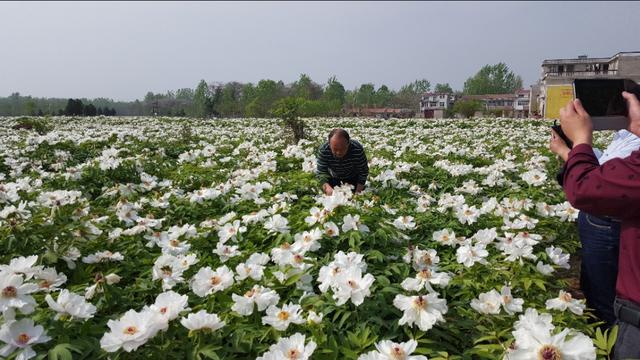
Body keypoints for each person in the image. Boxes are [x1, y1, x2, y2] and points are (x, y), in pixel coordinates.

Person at [549, 91, 640, 359]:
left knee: (603, 303)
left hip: (634, 308)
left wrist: (579, 143)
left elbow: (587, 188)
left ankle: (604, 344)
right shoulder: (624, 137)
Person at [316, 128, 369, 196]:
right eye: (335, 149)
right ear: (329, 144)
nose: (338, 153)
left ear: (348, 143)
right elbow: (321, 173)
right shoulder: (324, 150)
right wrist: (328, 189)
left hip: (353, 178)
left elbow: (363, 171)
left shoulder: (357, 149)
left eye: (342, 149)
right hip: (334, 178)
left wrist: (357, 193)